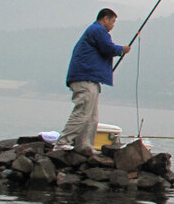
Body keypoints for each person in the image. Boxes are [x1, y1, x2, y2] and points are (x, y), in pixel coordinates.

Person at [54, 8, 132, 153]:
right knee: (83, 112)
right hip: (85, 78)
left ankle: (84, 146)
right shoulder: (97, 30)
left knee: (92, 117)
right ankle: (62, 142)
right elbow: (107, 48)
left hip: (90, 78)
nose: (113, 25)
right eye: (113, 21)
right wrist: (122, 49)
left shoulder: (95, 31)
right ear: (105, 19)